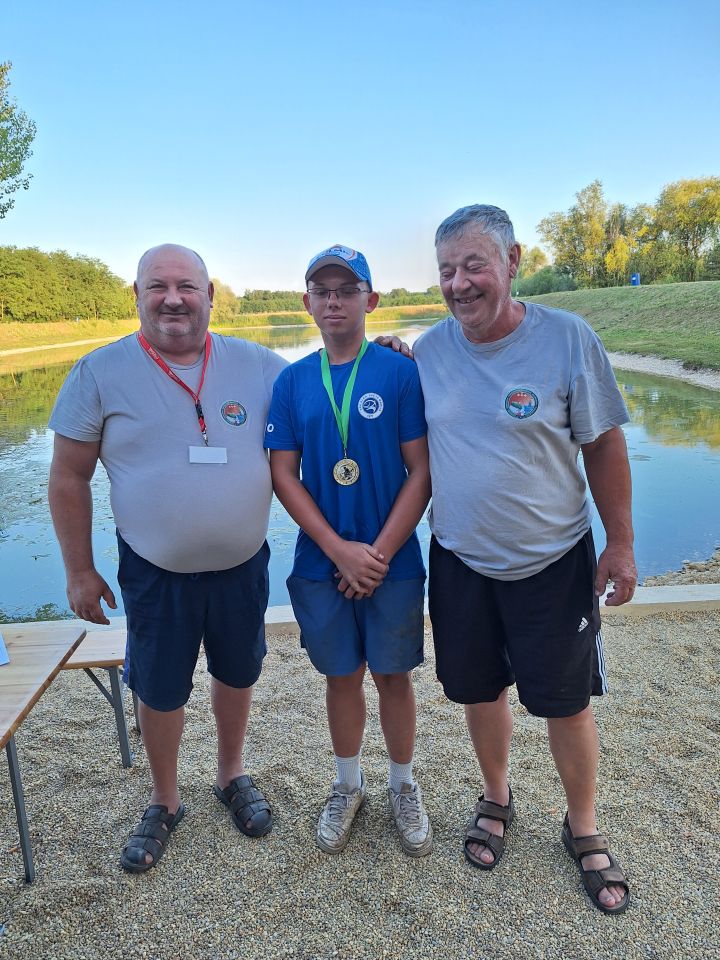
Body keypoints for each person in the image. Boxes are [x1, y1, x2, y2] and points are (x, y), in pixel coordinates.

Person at [411, 205, 636, 913]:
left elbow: (602, 444)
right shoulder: (428, 350)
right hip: (460, 563)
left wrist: (622, 542)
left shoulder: (568, 339)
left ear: (512, 263)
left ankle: (584, 826)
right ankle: (497, 797)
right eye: (447, 269)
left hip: (553, 560)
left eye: (473, 264)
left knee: (565, 703)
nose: (458, 283)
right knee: (480, 691)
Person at [48, 244, 287, 872]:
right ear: (136, 294)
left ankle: (231, 774)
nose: (173, 298)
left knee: (238, 672)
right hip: (154, 571)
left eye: (187, 285)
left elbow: (328, 390)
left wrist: (392, 355)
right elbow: (69, 476)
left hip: (243, 564)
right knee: (159, 685)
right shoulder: (99, 373)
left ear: (212, 295)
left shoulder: (259, 364)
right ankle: (164, 797)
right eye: (158, 286)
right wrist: (79, 569)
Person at [265, 245, 433, 856]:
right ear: (307, 302)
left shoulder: (400, 373)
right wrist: (339, 551)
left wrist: (377, 555)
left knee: (393, 675)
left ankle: (403, 784)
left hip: (393, 560)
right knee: (342, 675)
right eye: (322, 290)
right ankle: (346, 784)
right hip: (322, 562)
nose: (333, 300)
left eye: (346, 289)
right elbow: (284, 475)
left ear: (372, 299)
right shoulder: (291, 381)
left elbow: (422, 470)